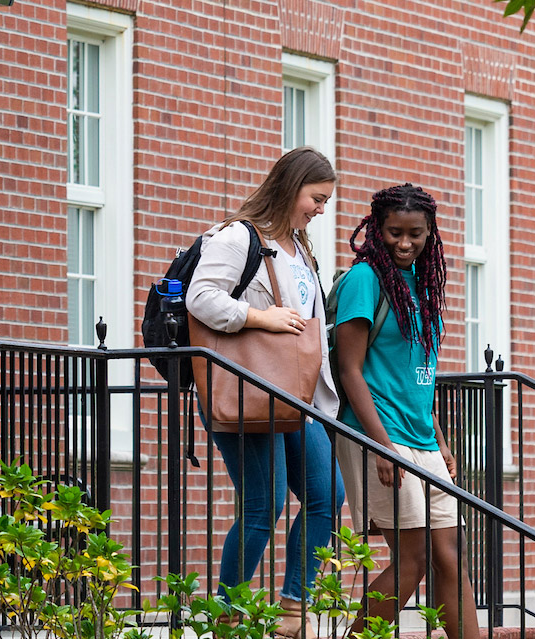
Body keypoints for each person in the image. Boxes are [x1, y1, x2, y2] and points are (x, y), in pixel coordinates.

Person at [186, 147, 345, 639]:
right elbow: (200, 297)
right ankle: (228, 615)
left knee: (327, 496)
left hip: (294, 395)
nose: (321, 209)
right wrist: (259, 316)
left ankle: (293, 608)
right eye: (316, 198)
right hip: (247, 390)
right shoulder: (239, 237)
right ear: (290, 187)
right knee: (265, 503)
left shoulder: (301, 247)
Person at [332, 184, 478, 639]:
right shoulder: (365, 280)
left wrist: (439, 436)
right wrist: (381, 447)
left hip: (421, 438)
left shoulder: (423, 282)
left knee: (450, 557)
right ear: (377, 229)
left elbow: (418, 371)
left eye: (415, 233)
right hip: (379, 435)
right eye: (394, 232)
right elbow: (351, 370)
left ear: (430, 232)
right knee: (412, 560)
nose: (404, 243)